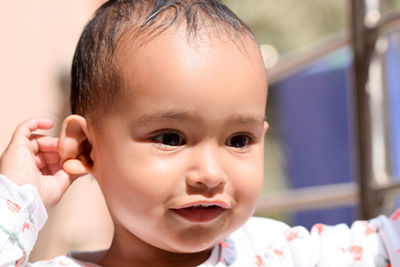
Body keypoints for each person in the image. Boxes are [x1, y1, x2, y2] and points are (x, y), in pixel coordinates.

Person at [0, 0, 399, 266]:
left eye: (239, 140)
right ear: (87, 148)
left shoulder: (276, 253)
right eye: (171, 138)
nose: (210, 173)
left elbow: (386, 244)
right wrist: (16, 201)